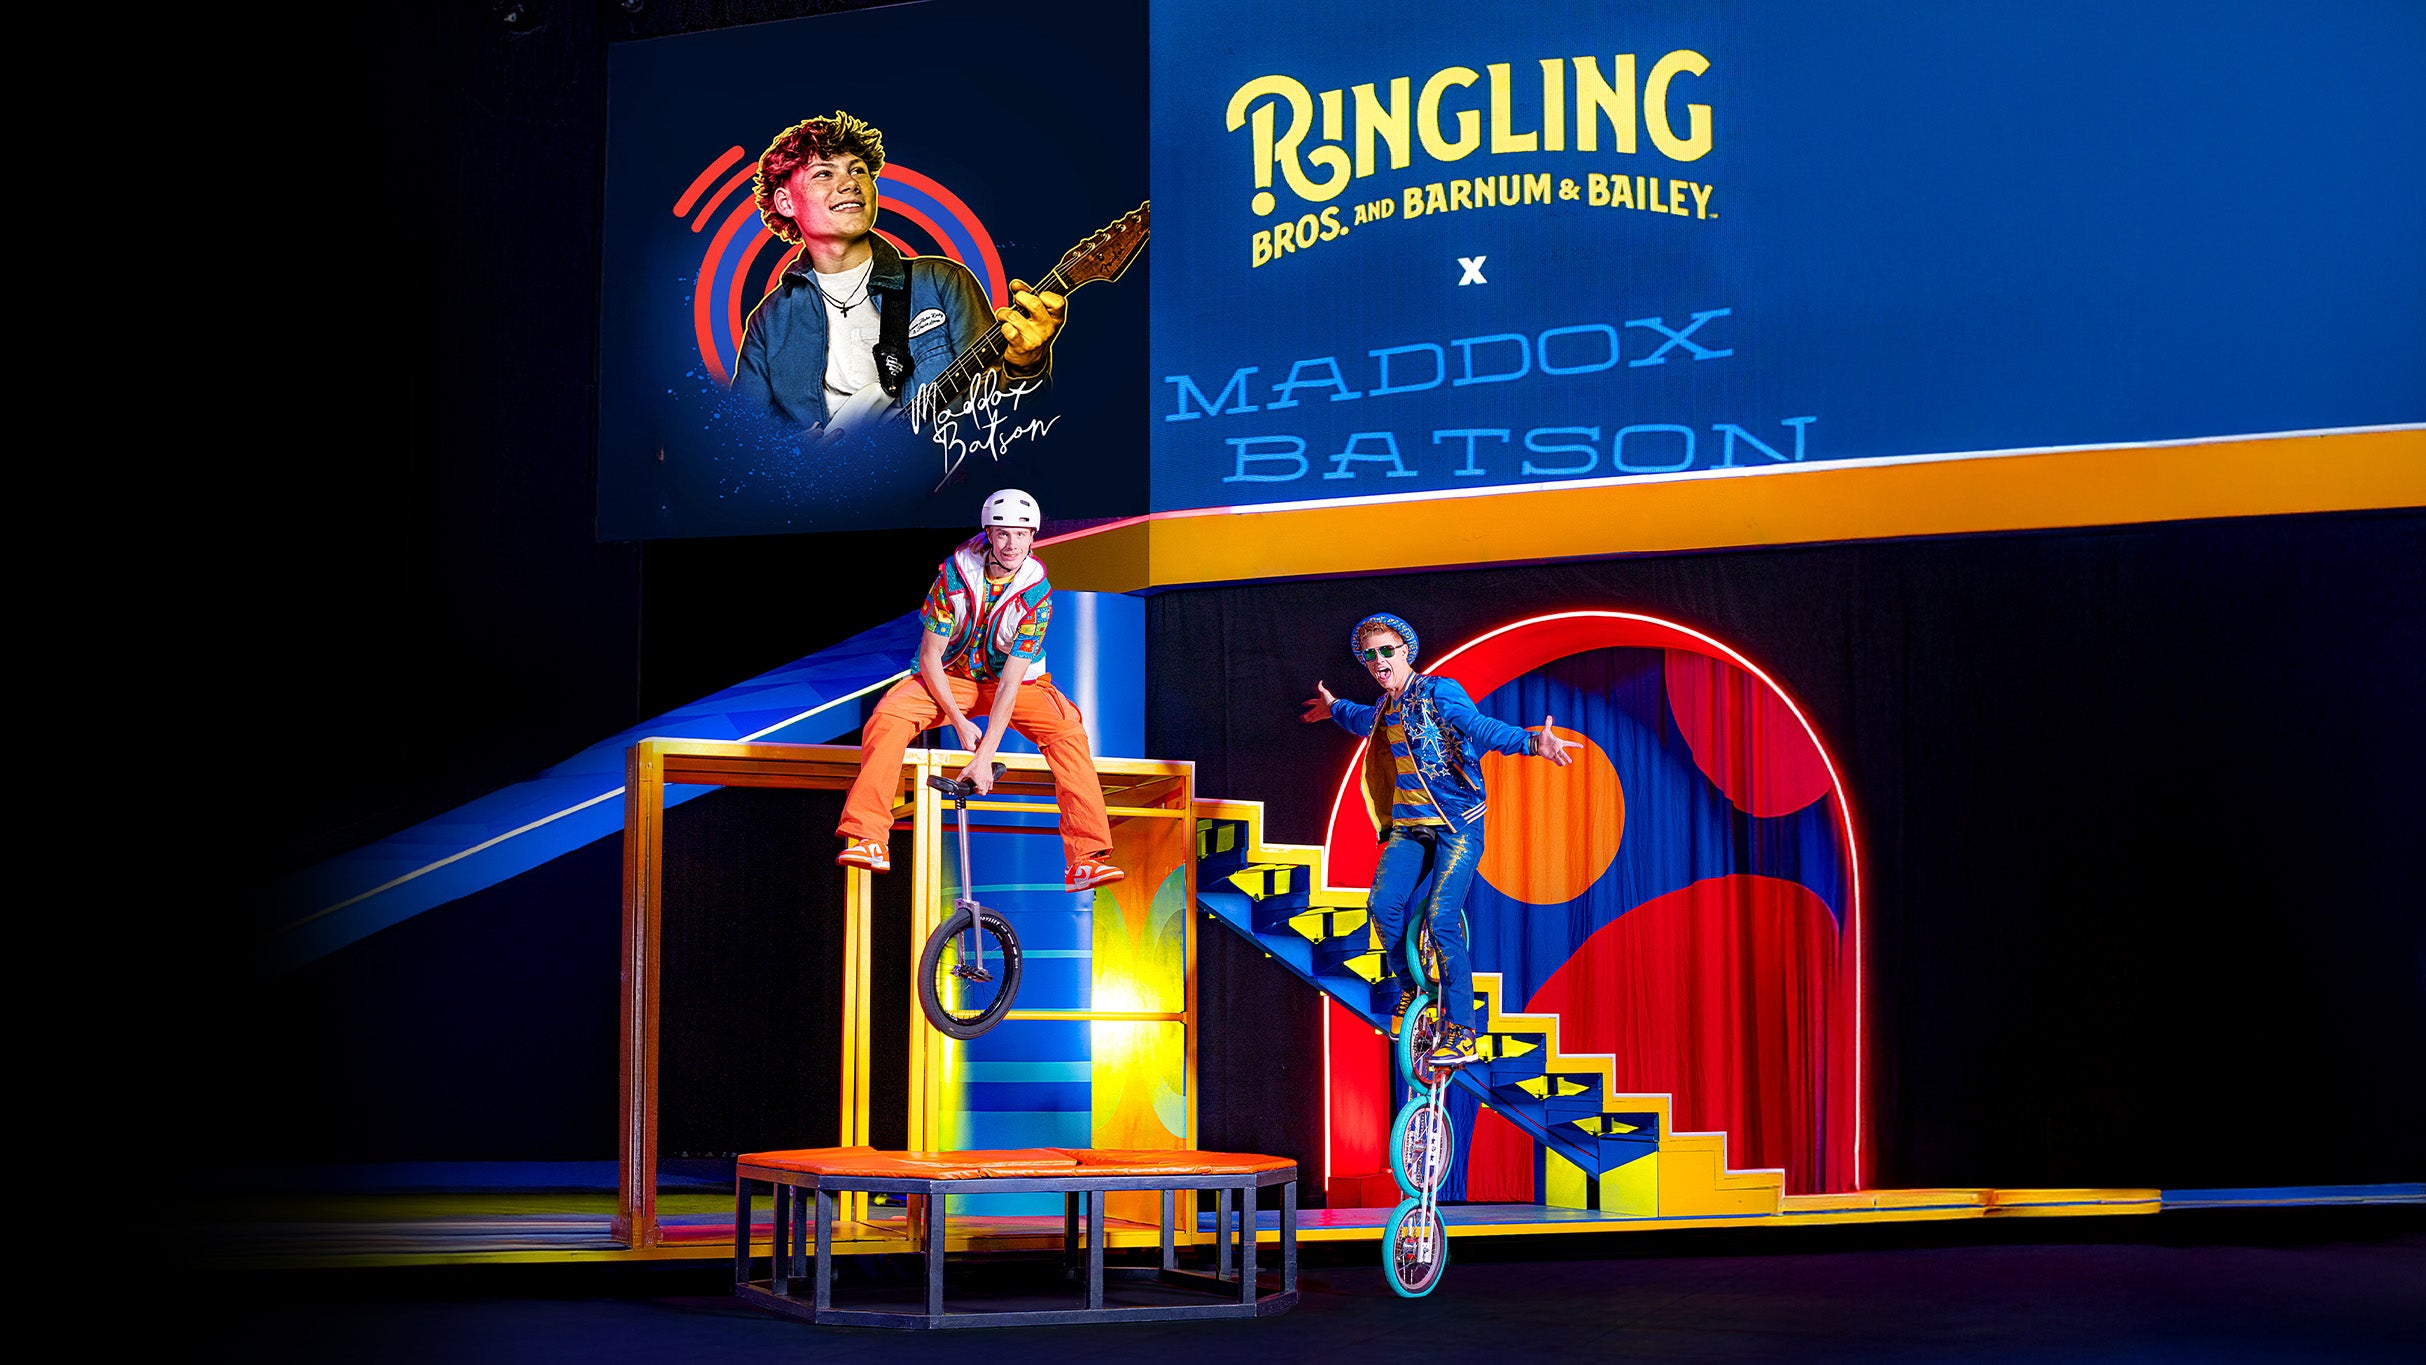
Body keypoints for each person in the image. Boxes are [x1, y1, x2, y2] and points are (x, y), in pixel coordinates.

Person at [1301, 613, 1576, 1066]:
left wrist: (1531, 743)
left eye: (1386, 651)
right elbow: (1362, 718)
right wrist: (1334, 707)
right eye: (1370, 655)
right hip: (1411, 828)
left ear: (1405, 652)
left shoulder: (1437, 692)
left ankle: (1463, 1032)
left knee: (1440, 917)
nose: (1378, 660)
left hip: (1456, 826)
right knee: (1381, 906)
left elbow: (1480, 727)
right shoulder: (1385, 708)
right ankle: (1410, 990)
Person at [835, 488, 1123, 891]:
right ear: (988, 533)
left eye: (1021, 534)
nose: (1012, 544)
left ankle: (1085, 859)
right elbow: (930, 657)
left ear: (1033, 537)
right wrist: (958, 721)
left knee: (1067, 732)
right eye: (1003, 533)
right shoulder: (952, 578)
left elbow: (1009, 684)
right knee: (889, 717)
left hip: (1012, 684)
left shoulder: (1037, 596)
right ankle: (869, 838)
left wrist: (984, 755)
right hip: (951, 677)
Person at [730, 111, 1066, 435]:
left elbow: (1001, 419)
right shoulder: (769, 321)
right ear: (786, 202)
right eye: (823, 174)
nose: (850, 183)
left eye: (858, 170)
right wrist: (795, 455)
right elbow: (740, 440)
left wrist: (1026, 365)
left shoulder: (941, 282)